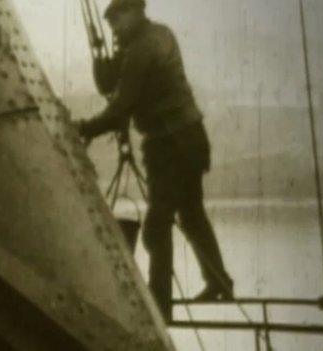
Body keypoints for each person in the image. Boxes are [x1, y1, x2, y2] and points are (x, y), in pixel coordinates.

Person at [75, 0, 234, 321]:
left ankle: (161, 306)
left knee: (155, 229)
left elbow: (121, 106)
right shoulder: (158, 36)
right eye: (111, 27)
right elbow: (119, 81)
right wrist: (106, 67)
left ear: (134, 13)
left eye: (118, 23)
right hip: (189, 140)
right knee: (191, 214)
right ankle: (220, 283)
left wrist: (84, 128)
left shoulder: (142, 49)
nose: (115, 31)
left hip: (170, 145)